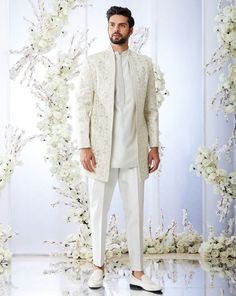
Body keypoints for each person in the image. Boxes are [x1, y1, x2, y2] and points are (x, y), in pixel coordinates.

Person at [77, 6, 161, 293]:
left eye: (122, 25)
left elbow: (151, 109)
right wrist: (84, 145)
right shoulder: (94, 63)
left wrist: (154, 146)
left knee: (135, 213)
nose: (116, 29)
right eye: (112, 24)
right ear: (107, 27)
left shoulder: (144, 64)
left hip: (134, 151)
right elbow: (82, 106)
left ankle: (138, 273)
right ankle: (98, 267)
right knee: (98, 211)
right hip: (100, 152)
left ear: (131, 29)